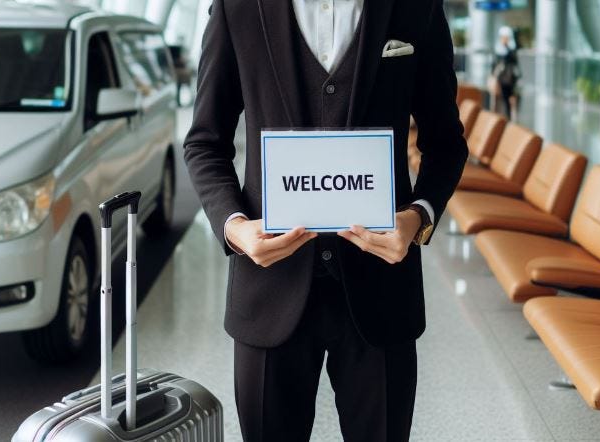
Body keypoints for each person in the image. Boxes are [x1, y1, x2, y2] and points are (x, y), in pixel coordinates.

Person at [183, 0, 468, 440]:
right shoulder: (237, 7)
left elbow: (446, 143)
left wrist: (418, 218)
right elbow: (204, 142)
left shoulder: (417, 7)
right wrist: (236, 227)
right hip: (268, 290)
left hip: (382, 292)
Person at [491, 26, 520, 120]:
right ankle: (499, 119)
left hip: (509, 80)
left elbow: (514, 63)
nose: (504, 39)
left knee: (508, 100)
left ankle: (507, 119)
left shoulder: (511, 50)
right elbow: (494, 65)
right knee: (498, 100)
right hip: (499, 79)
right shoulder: (498, 49)